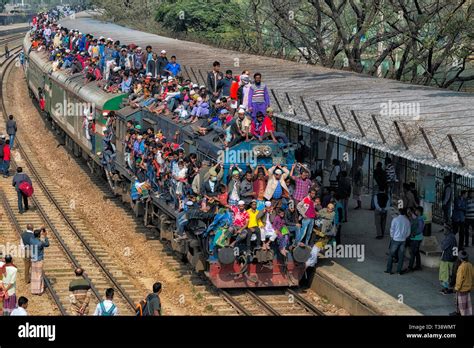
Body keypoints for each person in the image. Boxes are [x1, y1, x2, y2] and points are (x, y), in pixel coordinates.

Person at [385, 208, 411, 275]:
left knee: (391, 255)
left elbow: (392, 229)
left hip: (395, 239)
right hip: (403, 240)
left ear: (399, 212)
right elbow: (408, 232)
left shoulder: (395, 219)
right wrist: (404, 237)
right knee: (401, 256)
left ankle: (389, 270)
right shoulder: (407, 221)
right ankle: (399, 271)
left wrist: (392, 237)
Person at [30, 228, 50, 295]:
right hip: (39, 260)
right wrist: (45, 236)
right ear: (39, 235)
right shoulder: (40, 243)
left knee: (34, 275)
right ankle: (39, 290)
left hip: (33, 259)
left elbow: (34, 236)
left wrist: (39, 231)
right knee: (39, 275)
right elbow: (47, 244)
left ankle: (33, 290)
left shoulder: (31, 240)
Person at [439, 227, 457, 295]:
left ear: (447, 230)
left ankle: (448, 289)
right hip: (449, 258)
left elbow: (443, 246)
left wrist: (442, 243)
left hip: (447, 259)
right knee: (446, 274)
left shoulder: (449, 238)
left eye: (444, 230)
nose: (443, 231)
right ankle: (445, 288)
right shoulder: (451, 236)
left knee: (446, 274)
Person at [405, 206, 424, 272]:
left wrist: (414, 233)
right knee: (416, 252)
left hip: (416, 238)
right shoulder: (419, 218)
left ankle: (410, 267)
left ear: (419, 212)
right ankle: (418, 265)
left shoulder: (420, 219)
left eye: (416, 211)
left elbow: (420, 229)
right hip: (417, 238)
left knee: (413, 252)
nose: (415, 212)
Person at [453, 251, 472, 316]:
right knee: (466, 303)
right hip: (468, 288)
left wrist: (456, 288)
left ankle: (460, 313)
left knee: (461, 304)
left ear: (460, 258)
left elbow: (459, 279)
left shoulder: (461, 267)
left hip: (462, 289)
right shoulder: (470, 265)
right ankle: (461, 313)